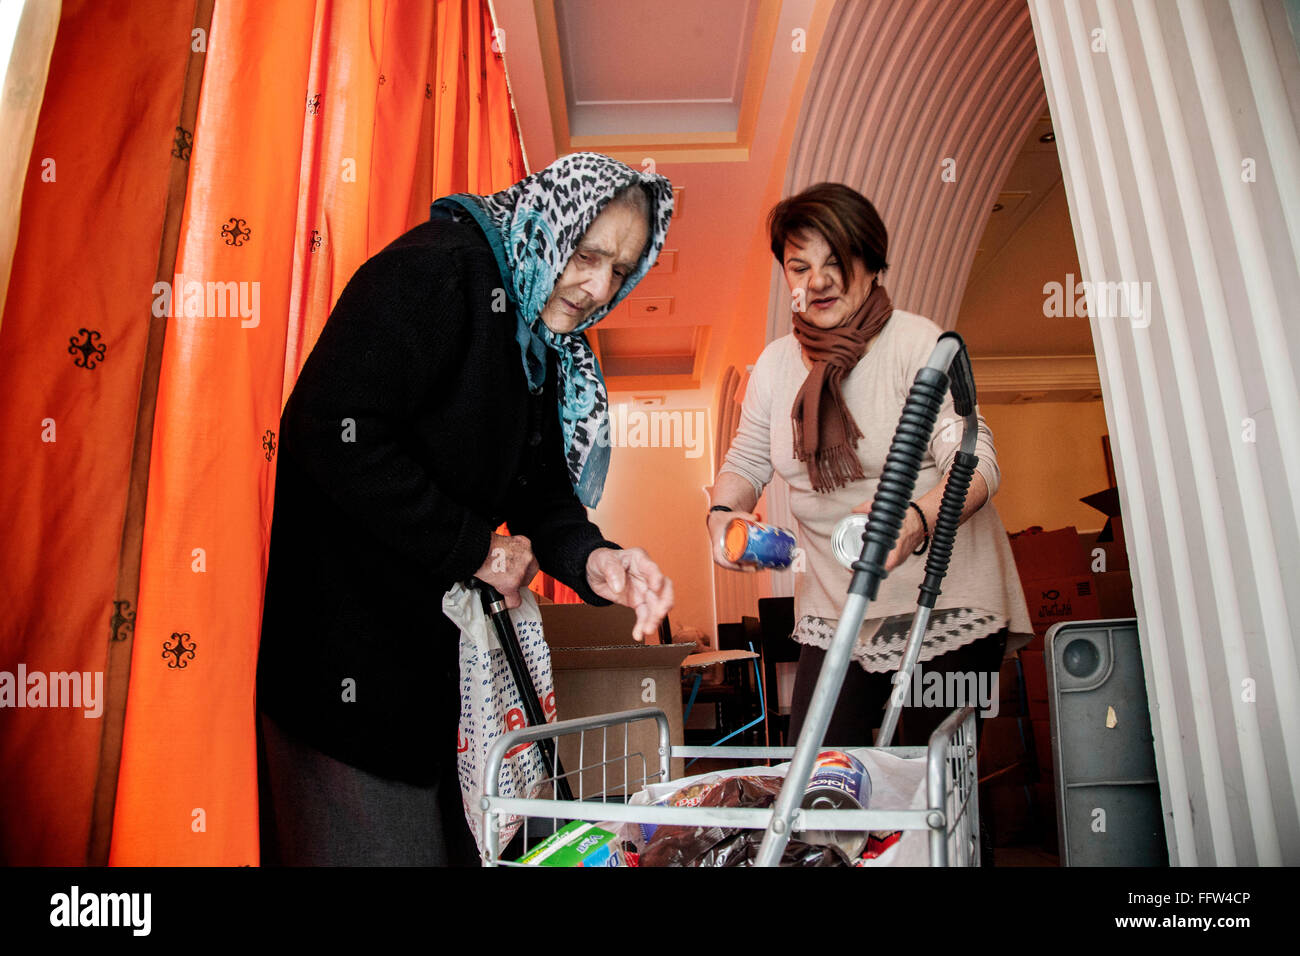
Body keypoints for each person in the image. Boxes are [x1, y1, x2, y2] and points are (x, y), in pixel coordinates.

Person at [257, 152, 676, 866]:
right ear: (549, 224)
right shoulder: (438, 273)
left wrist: (597, 559)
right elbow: (328, 426)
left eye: (620, 269)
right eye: (586, 254)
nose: (598, 287)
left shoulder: (538, 337)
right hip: (350, 672)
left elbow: (541, 494)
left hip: (440, 685)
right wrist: (475, 547)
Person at [707, 182, 1031, 753]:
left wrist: (916, 519)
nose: (818, 281)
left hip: (945, 597)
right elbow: (745, 460)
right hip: (839, 608)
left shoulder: (916, 341)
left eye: (837, 261)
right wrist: (721, 516)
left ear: (871, 262)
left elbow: (976, 459)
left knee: (935, 794)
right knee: (820, 776)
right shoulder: (776, 367)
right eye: (799, 266)